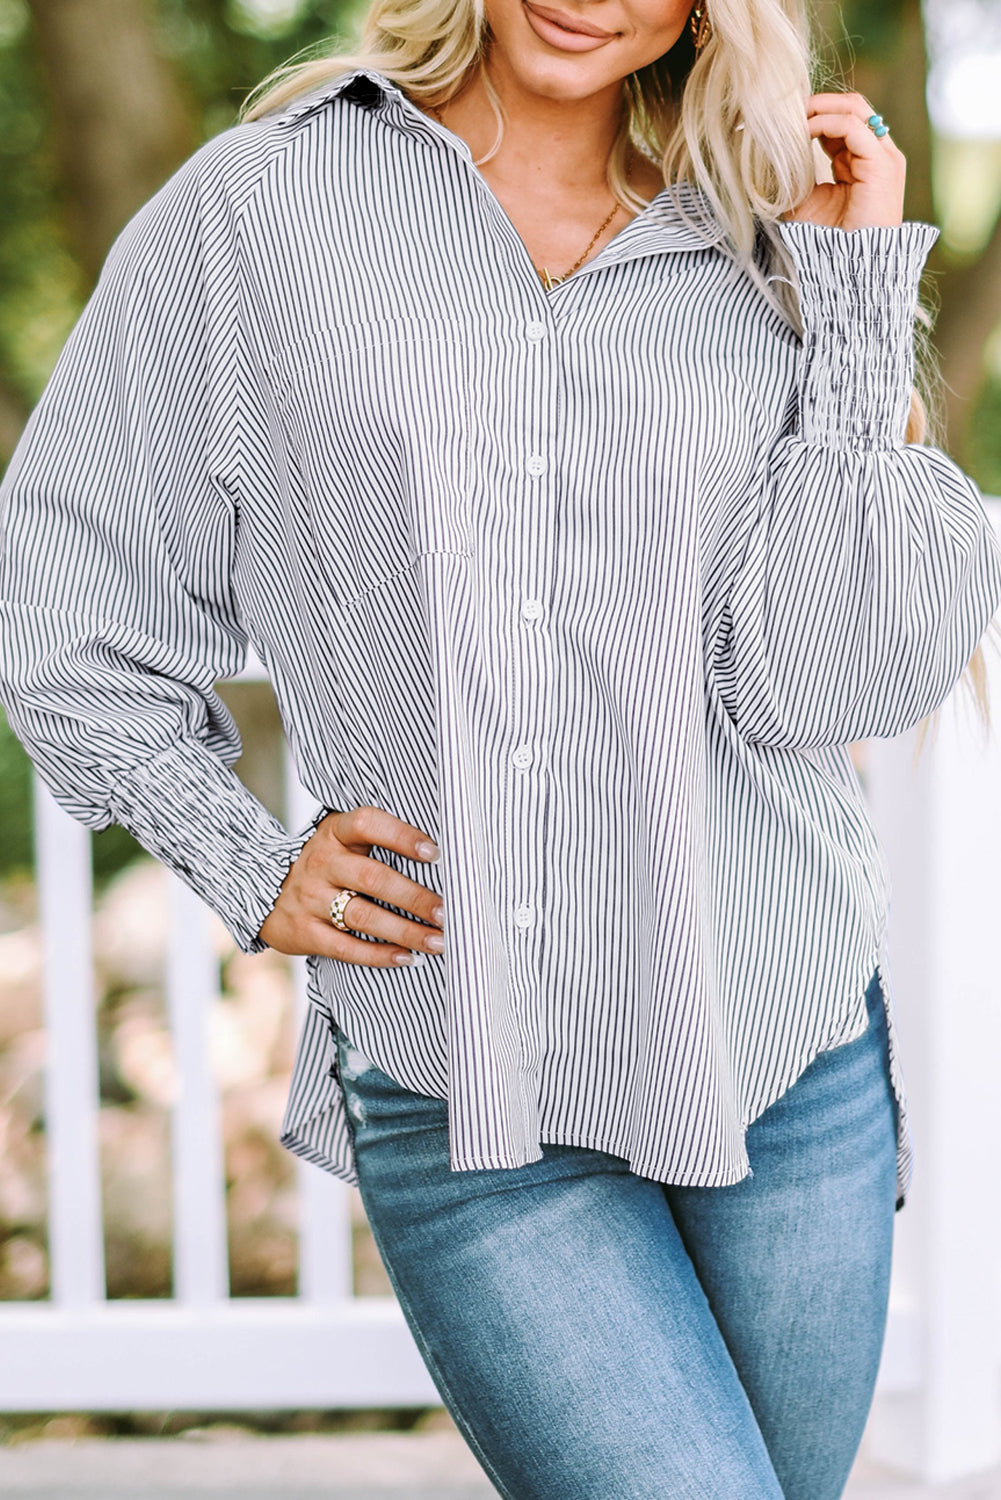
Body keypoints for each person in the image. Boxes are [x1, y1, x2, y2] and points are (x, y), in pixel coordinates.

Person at [2, 0, 1000, 1486]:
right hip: (468, 1075)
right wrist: (240, 857)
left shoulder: (762, 245)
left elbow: (821, 679)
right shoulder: (261, 211)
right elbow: (66, 582)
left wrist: (853, 295)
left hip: (780, 1059)